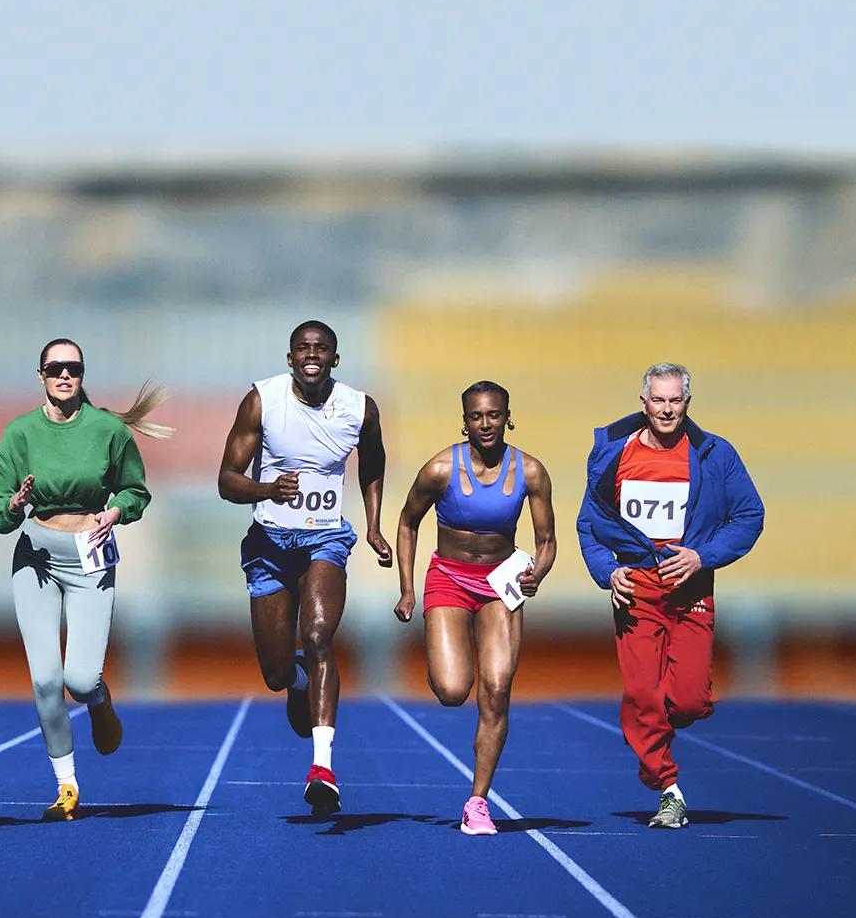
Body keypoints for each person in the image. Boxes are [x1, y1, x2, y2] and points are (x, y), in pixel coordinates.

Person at [0, 339, 168, 822]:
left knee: (80, 679)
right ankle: (66, 786)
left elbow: (136, 491)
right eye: (55, 368)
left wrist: (116, 511)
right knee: (45, 679)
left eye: (73, 368)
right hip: (37, 555)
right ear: (40, 375)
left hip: (90, 553)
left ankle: (100, 701)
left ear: (83, 373)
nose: (64, 375)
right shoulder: (19, 433)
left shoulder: (108, 429)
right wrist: (15, 506)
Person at [216, 320, 392, 816]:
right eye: (302, 348)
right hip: (269, 543)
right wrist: (268, 490)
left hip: (325, 538)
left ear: (335, 359)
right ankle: (295, 682)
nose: (311, 355)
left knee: (317, 637)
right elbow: (227, 481)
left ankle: (322, 769)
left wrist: (374, 525)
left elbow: (373, 465)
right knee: (274, 673)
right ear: (290, 357)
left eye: (321, 349)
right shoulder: (262, 401)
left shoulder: (359, 408)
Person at [577, 363, 764, 828]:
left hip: (690, 588)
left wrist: (702, 557)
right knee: (642, 692)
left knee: (687, 703)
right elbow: (590, 526)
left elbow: (749, 516)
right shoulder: (612, 456)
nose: (666, 409)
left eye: (674, 400)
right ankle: (668, 789)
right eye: (658, 400)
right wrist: (608, 571)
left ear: (687, 403)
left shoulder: (715, 455)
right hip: (637, 589)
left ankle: (647, 723)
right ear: (643, 403)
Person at [392, 382, 555, 835]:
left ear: (508, 416)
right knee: (451, 690)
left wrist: (536, 573)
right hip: (449, 579)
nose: (486, 424)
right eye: (477, 416)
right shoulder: (441, 468)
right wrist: (407, 589)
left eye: (495, 415)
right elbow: (407, 522)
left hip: (501, 583)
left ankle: (478, 803)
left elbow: (546, 541)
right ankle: (444, 659)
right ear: (464, 420)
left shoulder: (532, 472)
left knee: (498, 687)